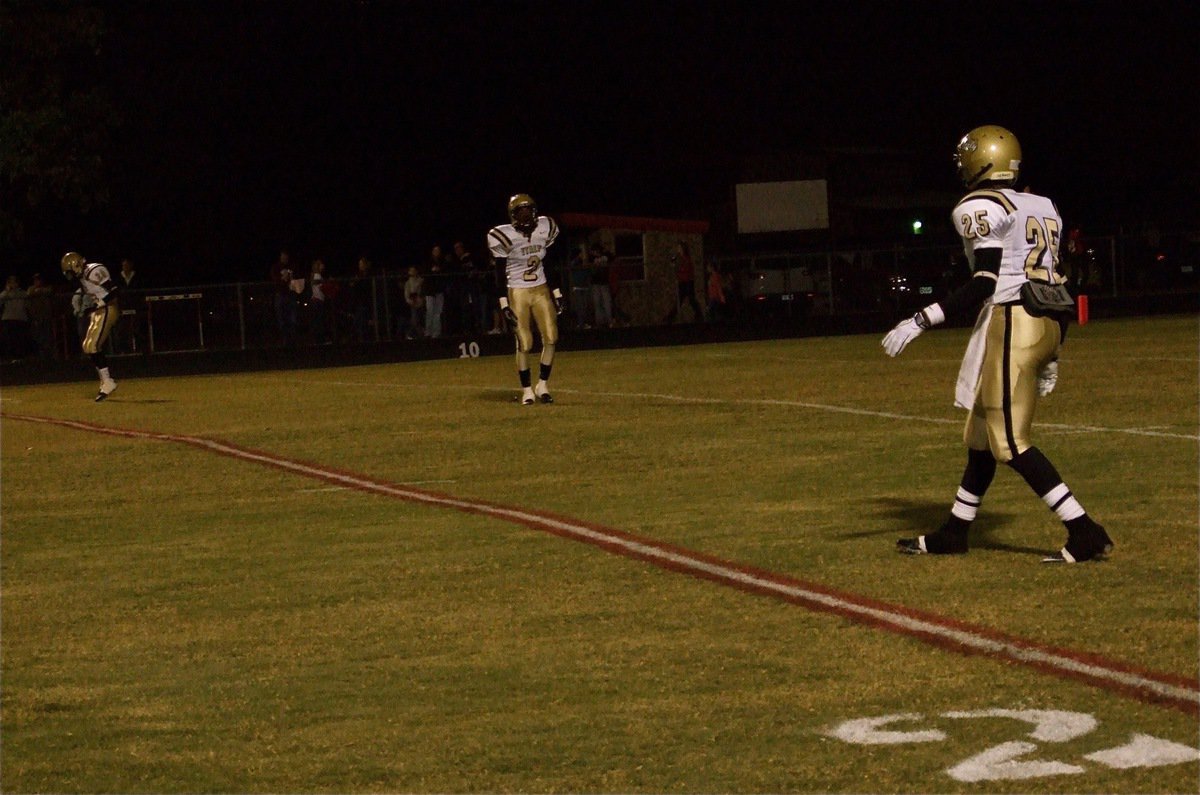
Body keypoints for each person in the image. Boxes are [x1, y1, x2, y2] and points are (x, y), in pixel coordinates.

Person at [882, 125, 1112, 564]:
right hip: (1046, 318)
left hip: (1013, 320)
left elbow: (984, 282)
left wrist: (921, 319)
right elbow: (1054, 278)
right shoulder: (1041, 203)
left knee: (1009, 441)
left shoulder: (980, 204)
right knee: (980, 439)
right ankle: (955, 531)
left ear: (981, 160)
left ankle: (1083, 529)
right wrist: (1054, 349)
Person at [488, 193, 562, 405]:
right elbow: (499, 273)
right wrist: (503, 304)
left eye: (528, 210)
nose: (526, 214)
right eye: (520, 211)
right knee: (525, 342)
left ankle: (543, 385)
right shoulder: (504, 235)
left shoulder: (545, 227)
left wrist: (557, 293)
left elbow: (550, 264)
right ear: (513, 215)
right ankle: (527, 390)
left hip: (540, 288)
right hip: (517, 291)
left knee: (551, 337)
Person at [60, 252, 121, 401]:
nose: (70, 276)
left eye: (70, 271)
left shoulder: (93, 271)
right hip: (100, 310)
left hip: (108, 308)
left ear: (76, 266)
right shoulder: (83, 276)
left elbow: (114, 291)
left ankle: (107, 382)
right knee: (87, 346)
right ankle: (105, 381)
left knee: (93, 345)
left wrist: (99, 304)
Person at [664, 241, 704, 323]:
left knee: (690, 299)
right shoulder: (681, 259)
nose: (678, 250)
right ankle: (670, 317)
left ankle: (699, 314)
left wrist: (677, 268)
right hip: (683, 281)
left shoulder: (686, 259)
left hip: (687, 281)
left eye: (679, 248)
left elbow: (685, 270)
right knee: (682, 299)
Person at [269, 250, 299, 346]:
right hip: (280, 295)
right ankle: (285, 340)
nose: (284, 259)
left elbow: (294, 280)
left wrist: (290, 278)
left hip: (290, 295)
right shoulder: (276, 267)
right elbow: (275, 279)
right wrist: (283, 279)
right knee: (281, 319)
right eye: (283, 257)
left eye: (286, 257)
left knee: (292, 319)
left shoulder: (291, 267)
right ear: (280, 257)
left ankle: (292, 340)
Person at [0, 275, 31, 359]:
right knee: (9, 339)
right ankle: (11, 357)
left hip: (20, 318)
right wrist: (7, 290)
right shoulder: (5, 293)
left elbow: (27, 300)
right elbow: (1, 299)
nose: (12, 284)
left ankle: (19, 357)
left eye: (14, 282)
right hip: (8, 318)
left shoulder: (21, 292)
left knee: (19, 339)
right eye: (10, 282)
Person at [422, 245, 447, 339]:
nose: (437, 252)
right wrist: (432, 271)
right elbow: (425, 273)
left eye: (438, 250)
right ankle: (428, 332)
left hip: (439, 291)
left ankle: (436, 333)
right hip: (430, 291)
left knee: (438, 312)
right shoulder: (428, 262)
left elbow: (444, 272)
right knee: (430, 311)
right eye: (435, 250)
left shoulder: (442, 262)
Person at [403, 265, 424, 339]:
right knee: (414, 320)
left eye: (413, 270)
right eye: (411, 271)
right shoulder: (408, 283)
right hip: (413, 303)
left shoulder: (421, 280)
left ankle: (415, 333)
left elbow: (421, 291)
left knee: (419, 319)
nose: (412, 272)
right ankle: (419, 334)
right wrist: (410, 301)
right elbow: (407, 294)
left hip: (421, 302)